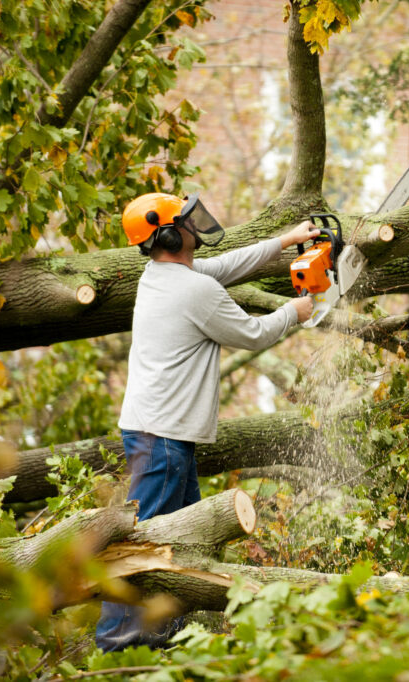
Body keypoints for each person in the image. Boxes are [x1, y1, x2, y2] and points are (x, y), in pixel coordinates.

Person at [96, 192, 317, 651]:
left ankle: (167, 640)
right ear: (171, 233)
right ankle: (113, 646)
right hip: (162, 438)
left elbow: (230, 265)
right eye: (187, 221)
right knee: (142, 547)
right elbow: (252, 334)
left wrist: (285, 241)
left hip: (160, 432)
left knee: (183, 545)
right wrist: (293, 313)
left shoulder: (162, 277)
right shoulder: (192, 289)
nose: (197, 226)